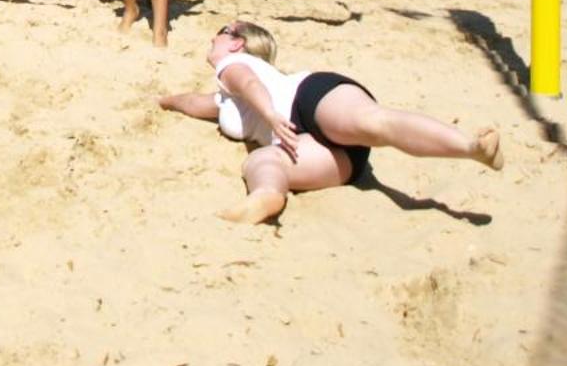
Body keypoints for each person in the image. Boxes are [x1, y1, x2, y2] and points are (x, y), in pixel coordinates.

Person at [159, 19, 504, 224]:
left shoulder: (232, 67)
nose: (212, 39)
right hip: (323, 152)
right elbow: (194, 102)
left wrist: (270, 116)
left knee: (373, 122)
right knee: (261, 160)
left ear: (237, 43)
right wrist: (165, 101)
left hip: (306, 98)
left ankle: (471, 147)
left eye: (220, 33)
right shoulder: (223, 99)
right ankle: (266, 197)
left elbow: (251, 85)